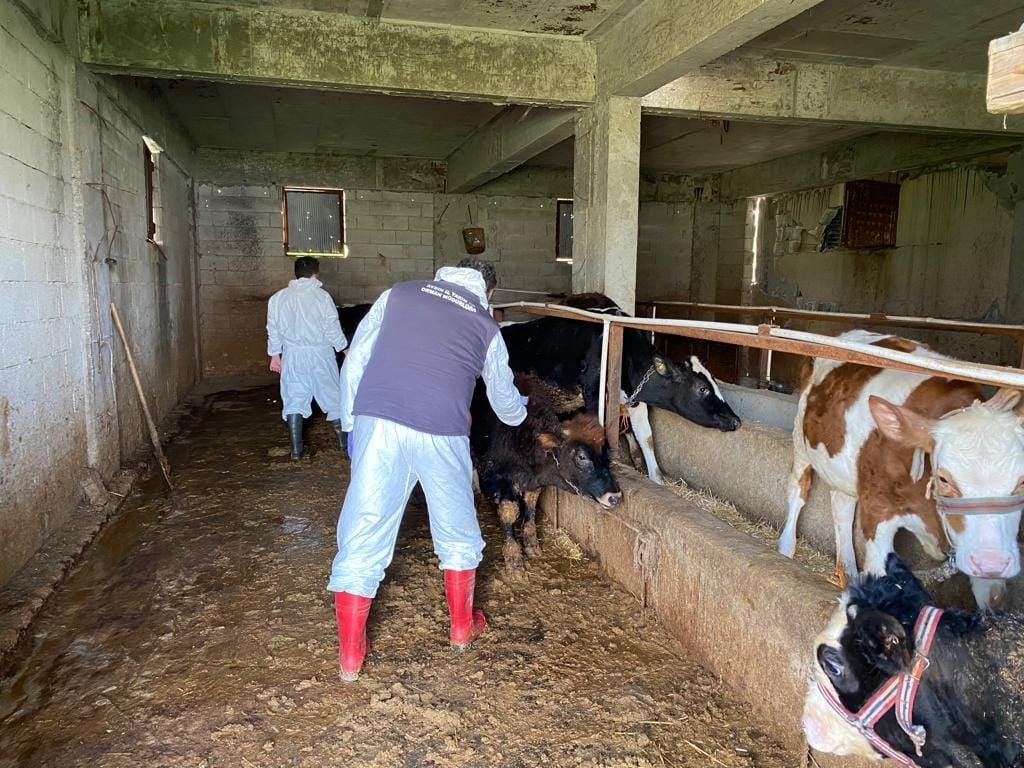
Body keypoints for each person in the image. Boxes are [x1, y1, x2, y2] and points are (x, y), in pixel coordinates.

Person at [328, 258, 527, 681]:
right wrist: (525, 410)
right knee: (457, 530)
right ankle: (460, 627)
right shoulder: (486, 324)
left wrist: (350, 422)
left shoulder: (398, 294)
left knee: (363, 530)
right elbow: (506, 407)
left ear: (442, 275)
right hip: (443, 430)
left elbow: (357, 358)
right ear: (488, 292)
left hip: (378, 421)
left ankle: (350, 656)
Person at [266, 256, 348, 459]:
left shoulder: (278, 298)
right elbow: (331, 327)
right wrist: (344, 348)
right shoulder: (322, 297)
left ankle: (296, 451)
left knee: (294, 397)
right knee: (333, 396)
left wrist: (275, 355)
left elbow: (273, 329)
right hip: (320, 353)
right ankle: (343, 446)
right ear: (315, 273)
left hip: (292, 354)